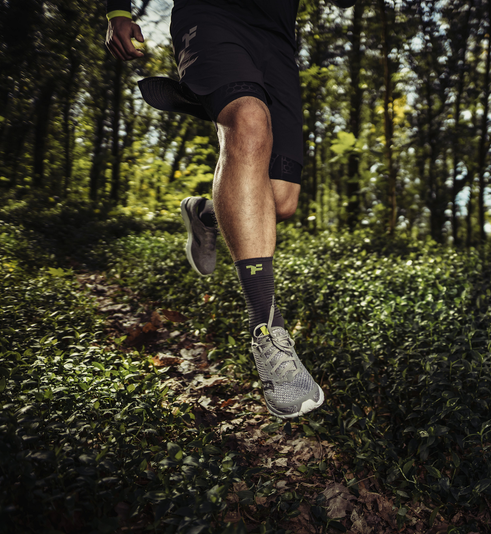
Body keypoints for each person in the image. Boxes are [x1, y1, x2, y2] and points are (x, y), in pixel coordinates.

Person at [104, 0, 355, 419]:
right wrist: (116, 10)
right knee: (249, 121)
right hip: (211, 14)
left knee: (279, 202)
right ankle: (267, 333)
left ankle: (206, 213)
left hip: (277, 38)